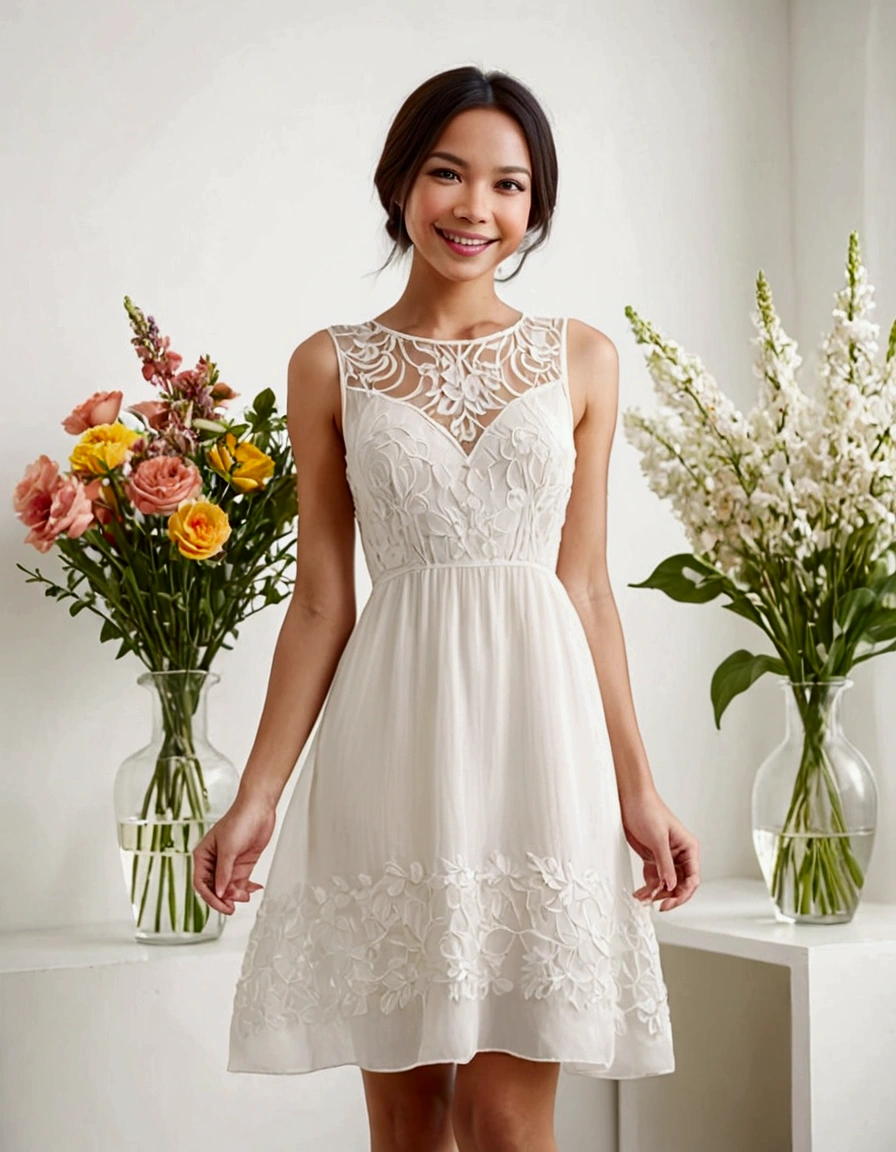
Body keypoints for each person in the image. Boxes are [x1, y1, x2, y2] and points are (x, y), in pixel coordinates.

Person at [192, 64, 700, 1152]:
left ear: (535, 207)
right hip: (395, 746)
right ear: (400, 184)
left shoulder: (583, 360)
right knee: (407, 1120)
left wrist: (639, 792)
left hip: (539, 750)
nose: (476, 208)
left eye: (508, 186)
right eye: (447, 174)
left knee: (508, 1120)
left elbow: (586, 589)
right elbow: (323, 601)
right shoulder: (331, 365)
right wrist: (257, 798)